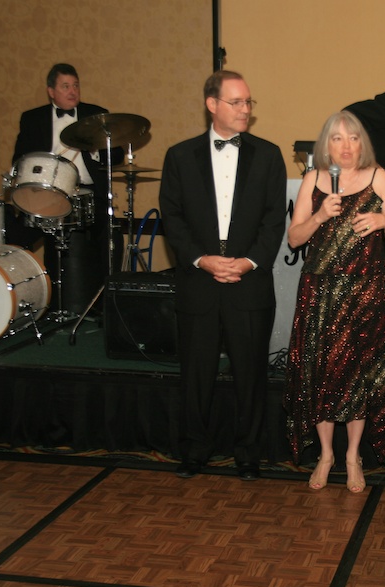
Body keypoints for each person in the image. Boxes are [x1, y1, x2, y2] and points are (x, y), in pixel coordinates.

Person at [158, 70, 287, 481]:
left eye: (249, 102)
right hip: (199, 283)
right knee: (196, 374)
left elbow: (274, 222)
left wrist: (248, 262)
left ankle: (249, 453)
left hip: (250, 283)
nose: (245, 109)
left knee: (251, 373)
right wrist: (202, 260)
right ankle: (195, 450)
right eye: (237, 102)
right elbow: (172, 219)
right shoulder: (180, 156)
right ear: (212, 104)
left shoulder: (268, 155)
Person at [283, 111, 385, 493]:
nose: (346, 146)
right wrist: (319, 215)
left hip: (364, 292)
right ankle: (325, 454)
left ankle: (352, 456)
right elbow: (295, 239)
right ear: (326, 145)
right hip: (320, 294)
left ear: (361, 142)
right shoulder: (314, 179)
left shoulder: (378, 176)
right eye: (337, 139)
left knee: (358, 377)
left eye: (352, 138)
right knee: (321, 375)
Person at [11, 63, 124, 313]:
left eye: (75, 85)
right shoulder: (33, 118)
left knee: (111, 238)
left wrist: (95, 151)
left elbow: (116, 156)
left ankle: (106, 305)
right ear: (51, 91)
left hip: (89, 194)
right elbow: (19, 158)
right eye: (65, 86)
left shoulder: (96, 115)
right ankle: (25, 300)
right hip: (46, 195)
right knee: (15, 238)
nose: (72, 91)